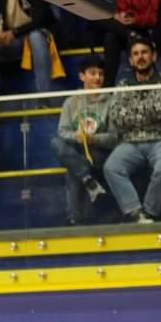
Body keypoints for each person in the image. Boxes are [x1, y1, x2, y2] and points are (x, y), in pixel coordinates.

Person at [104, 36, 161, 224]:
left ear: (153, 56)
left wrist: (132, 113)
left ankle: (149, 213)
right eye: (136, 54)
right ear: (131, 60)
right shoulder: (123, 84)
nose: (140, 57)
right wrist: (150, 113)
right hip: (131, 142)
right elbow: (117, 116)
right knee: (112, 167)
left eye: (144, 52)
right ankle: (134, 212)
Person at [52, 57, 116, 225]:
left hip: (99, 153)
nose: (97, 78)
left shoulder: (111, 101)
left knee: (73, 168)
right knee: (56, 143)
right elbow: (62, 132)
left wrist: (93, 139)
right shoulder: (71, 102)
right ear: (82, 76)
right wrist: (77, 136)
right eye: (92, 73)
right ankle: (89, 181)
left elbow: (115, 138)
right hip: (77, 150)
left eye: (101, 74)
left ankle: (74, 219)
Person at [0, 0, 56, 95]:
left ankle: (44, 96)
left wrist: (15, 32)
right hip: (10, 40)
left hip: (34, 35)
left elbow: (41, 18)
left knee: (36, 38)